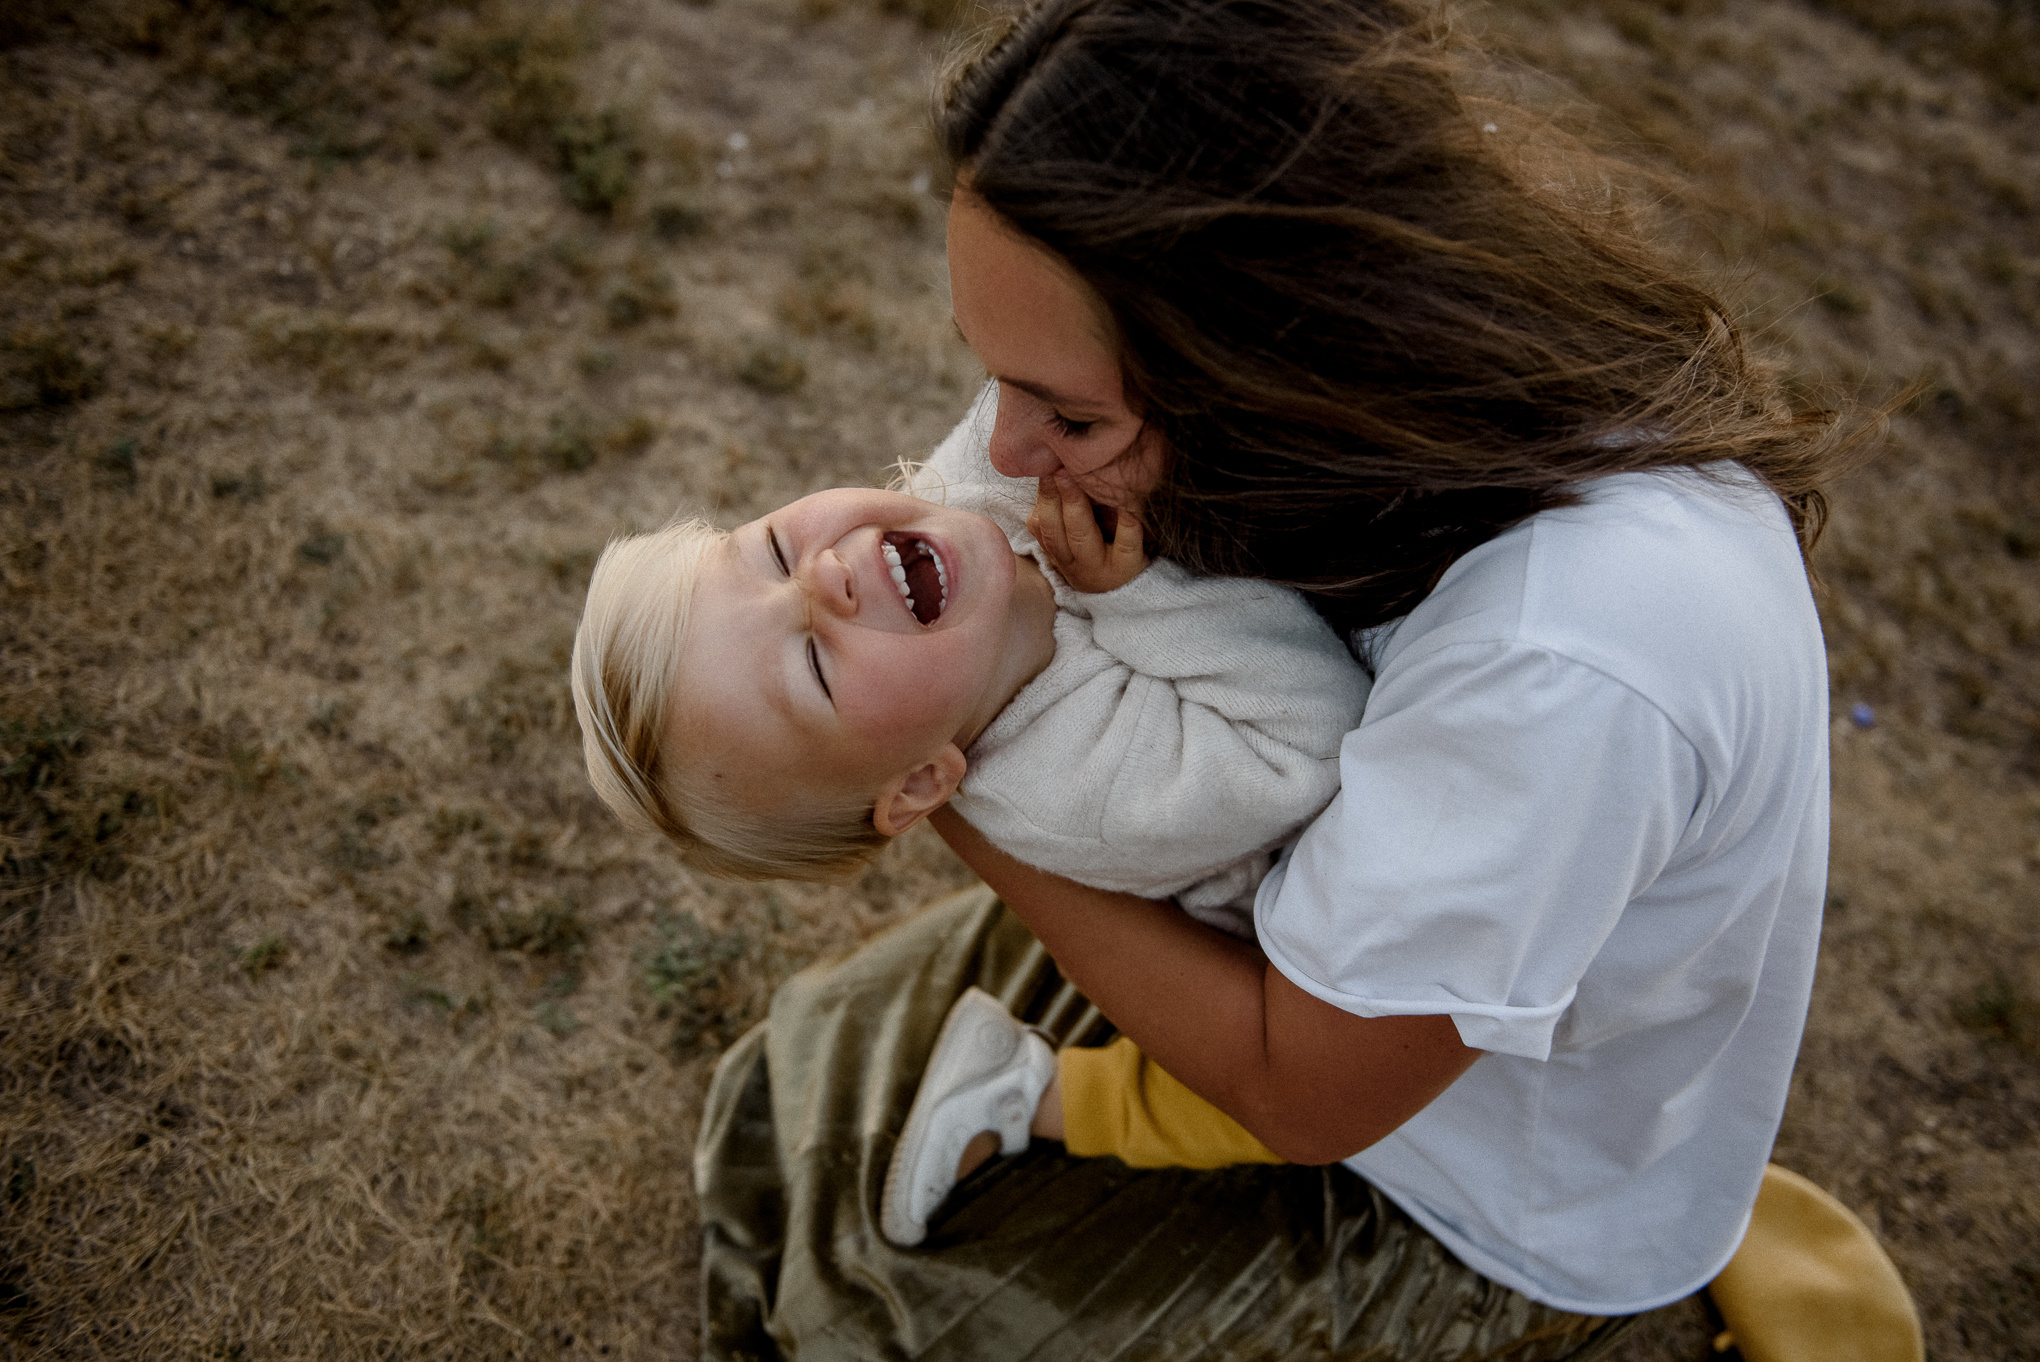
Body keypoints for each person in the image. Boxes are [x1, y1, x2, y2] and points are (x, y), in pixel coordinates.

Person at [691, 0, 1894, 1358]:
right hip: (1319, 921)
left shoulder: (1562, 663)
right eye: (999, 384)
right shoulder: (1386, 403)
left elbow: (1306, 1094)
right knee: (802, 1095)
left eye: (1070, 414)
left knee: (898, 1324)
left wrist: (947, 797)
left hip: (1467, 1168)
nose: (1013, 452)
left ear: (1269, 358)